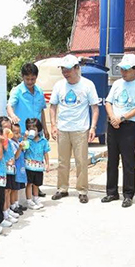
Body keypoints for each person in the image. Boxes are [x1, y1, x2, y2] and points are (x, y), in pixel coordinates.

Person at [49, 54, 100, 204]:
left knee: (81, 162)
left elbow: (95, 108)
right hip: (63, 129)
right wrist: (53, 125)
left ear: (77, 68)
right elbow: (53, 106)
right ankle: (62, 188)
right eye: (63, 70)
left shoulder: (88, 85)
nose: (65, 73)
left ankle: (82, 190)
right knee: (62, 161)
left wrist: (93, 128)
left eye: (68, 70)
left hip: (80, 129)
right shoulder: (59, 85)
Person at [102, 53, 135, 208]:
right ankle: (111, 192)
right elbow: (108, 102)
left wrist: (121, 118)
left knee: (128, 161)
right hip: (113, 124)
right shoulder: (117, 83)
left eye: (127, 70)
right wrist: (113, 118)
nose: (123, 72)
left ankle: (128, 194)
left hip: (128, 125)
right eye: (122, 69)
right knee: (112, 160)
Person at [7, 62, 50, 140]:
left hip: (38, 135)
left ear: (36, 77)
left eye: (32, 79)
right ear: (22, 76)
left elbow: (41, 111)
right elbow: (9, 106)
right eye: (27, 79)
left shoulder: (39, 91)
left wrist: (45, 129)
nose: (30, 82)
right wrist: (13, 116)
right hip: (23, 135)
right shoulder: (17, 91)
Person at [0, 116, 21, 224]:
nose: (8, 129)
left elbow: (14, 155)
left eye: (9, 127)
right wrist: (5, 134)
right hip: (4, 170)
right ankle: (5, 213)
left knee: (9, 190)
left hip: (11, 169)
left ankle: (8, 209)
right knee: (5, 192)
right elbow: (5, 148)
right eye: (5, 127)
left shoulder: (10, 141)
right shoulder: (2, 140)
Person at [24, 118, 50, 210]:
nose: (32, 131)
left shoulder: (43, 141)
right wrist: (25, 138)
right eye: (30, 128)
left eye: (34, 128)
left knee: (36, 184)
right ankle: (29, 200)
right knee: (29, 184)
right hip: (28, 166)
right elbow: (24, 148)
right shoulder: (28, 140)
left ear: (38, 129)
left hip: (39, 167)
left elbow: (45, 153)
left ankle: (36, 198)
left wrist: (47, 164)